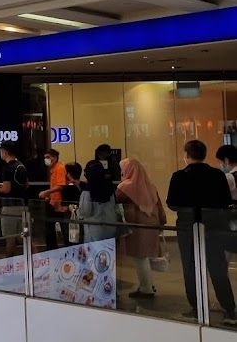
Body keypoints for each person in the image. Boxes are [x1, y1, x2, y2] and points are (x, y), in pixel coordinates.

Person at [167, 139, 235, 324]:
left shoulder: (179, 176)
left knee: (190, 267)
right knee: (218, 267)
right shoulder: (217, 175)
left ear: (186, 155)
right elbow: (226, 201)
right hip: (214, 226)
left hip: (188, 227)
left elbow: (172, 203)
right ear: (204, 155)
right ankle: (229, 308)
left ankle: (197, 307)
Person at [117, 157, 166, 299]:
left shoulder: (124, 187)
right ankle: (148, 284)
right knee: (146, 257)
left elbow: (117, 203)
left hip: (136, 227)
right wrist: (162, 222)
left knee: (140, 258)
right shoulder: (150, 186)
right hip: (152, 225)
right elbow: (159, 206)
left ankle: (146, 289)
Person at [0, 145, 29, 255]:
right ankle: (37, 260)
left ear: (5, 152)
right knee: (26, 238)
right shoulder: (21, 165)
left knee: (10, 239)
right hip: (23, 206)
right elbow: (26, 185)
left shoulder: (7, 168)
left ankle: (9, 263)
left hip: (10, 207)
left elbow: (6, 189)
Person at [78, 160, 118, 242]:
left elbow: (85, 212)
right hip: (111, 227)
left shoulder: (87, 192)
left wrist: (75, 210)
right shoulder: (110, 189)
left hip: (94, 230)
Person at [39, 148, 68, 249]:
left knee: (61, 228)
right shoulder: (53, 169)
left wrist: (46, 192)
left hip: (59, 204)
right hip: (53, 202)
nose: (46, 160)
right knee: (49, 228)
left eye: (48, 157)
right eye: (45, 157)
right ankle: (52, 248)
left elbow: (61, 186)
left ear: (54, 158)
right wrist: (49, 196)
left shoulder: (59, 168)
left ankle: (59, 248)